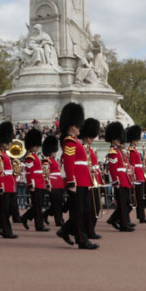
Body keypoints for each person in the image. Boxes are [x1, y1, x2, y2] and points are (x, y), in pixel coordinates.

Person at [57, 103, 98, 250]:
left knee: (83, 211)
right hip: (77, 182)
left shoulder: (74, 141)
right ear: (72, 125)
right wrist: (71, 182)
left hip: (83, 181)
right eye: (78, 125)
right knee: (79, 212)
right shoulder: (69, 141)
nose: (80, 128)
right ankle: (82, 240)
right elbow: (69, 163)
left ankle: (65, 231)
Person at [104, 122, 134, 232]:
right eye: (117, 139)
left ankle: (115, 219)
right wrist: (116, 181)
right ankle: (123, 224)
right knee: (122, 204)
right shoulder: (113, 152)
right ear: (113, 140)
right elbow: (113, 169)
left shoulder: (118, 151)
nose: (119, 141)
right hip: (119, 181)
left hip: (124, 179)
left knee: (126, 203)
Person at [0, 121, 19, 239]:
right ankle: (7, 231)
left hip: (10, 184)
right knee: (5, 210)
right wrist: (0, 185)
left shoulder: (5, 154)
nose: (8, 144)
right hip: (4, 185)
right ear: (1, 143)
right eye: (6, 142)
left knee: (8, 209)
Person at [20, 129, 48, 231]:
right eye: (36, 146)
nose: (37, 147)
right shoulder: (30, 157)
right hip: (35, 184)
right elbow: (29, 172)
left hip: (39, 183)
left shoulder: (35, 156)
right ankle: (39, 225)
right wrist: (31, 185)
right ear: (32, 146)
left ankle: (24, 217)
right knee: (37, 206)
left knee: (39, 205)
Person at [126, 125, 146, 223]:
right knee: (137, 198)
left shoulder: (134, 150)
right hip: (136, 176)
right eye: (136, 139)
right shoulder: (131, 150)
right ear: (133, 140)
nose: (138, 141)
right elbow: (132, 165)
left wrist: (143, 168)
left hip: (139, 175)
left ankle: (141, 216)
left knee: (139, 198)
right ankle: (136, 217)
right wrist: (134, 177)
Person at [43, 134, 66, 227]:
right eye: (55, 151)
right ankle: (58, 220)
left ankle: (45, 215)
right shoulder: (46, 160)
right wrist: (48, 184)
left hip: (59, 183)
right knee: (56, 204)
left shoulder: (54, 160)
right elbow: (45, 174)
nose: (56, 153)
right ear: (51, 151)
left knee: (59, 203)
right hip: (53, 184)